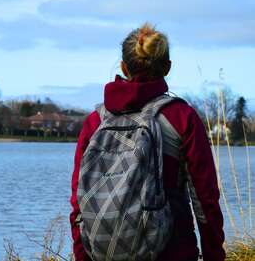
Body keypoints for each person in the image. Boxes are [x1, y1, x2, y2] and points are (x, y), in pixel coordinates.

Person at [70, 24, 225, 261]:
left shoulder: (95, 122)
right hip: (172, 251)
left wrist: (82, 257)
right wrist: (214, 255)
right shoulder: (182, 118)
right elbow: (205, 201)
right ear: (167, 67)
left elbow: (79, 203)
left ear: (123, 66)